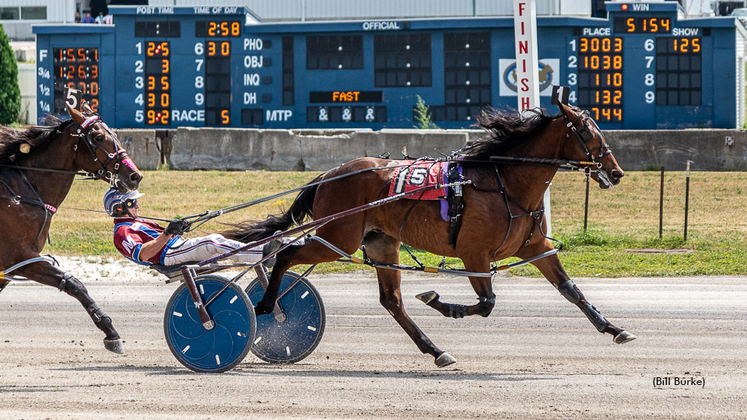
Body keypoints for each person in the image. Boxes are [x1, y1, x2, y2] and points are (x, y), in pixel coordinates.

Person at [104, 188, 282, 268]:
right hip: (168, 255)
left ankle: (281, 244)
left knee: (219, 241)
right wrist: (168, 232)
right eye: (132, 202)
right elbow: (143, 254)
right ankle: (262, 255)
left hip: (176, 247)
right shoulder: (122, 232)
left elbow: (163, 237)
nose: (137, 206)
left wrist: (177, 229)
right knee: (212, 242)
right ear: (119, 208)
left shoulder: (136, 223)